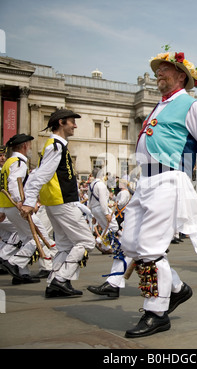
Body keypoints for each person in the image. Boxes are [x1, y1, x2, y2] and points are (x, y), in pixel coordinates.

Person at [121, 49, 197, 338]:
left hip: (169, 179)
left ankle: (157, 312)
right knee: (130, 243)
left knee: (150, 248)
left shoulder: (191, 105)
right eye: (158, 70)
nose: (158, 74)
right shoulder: (159, 106)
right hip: (146, 181)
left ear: (180, 76)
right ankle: (176, 288)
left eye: (164, 69)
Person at [20, 109, 95, 297]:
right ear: (61, 122)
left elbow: (37, 173)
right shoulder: (55, 145)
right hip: (62, 202)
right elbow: (41, 175)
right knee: (86, 241)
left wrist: (31, 199)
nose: (75, 125)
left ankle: (55, 282)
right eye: (72, 122)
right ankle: (60, 279)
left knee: (65, 245)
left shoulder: (55, 144)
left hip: (57, 202)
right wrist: (29, 201)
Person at [0, 134, 42, 283]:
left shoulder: (8, 162)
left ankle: (21, 275)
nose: (30, 149)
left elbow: (3, 186)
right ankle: (12, 262)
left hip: (8, 206)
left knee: (25, 238)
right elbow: (13, 183)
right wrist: (20, 202)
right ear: (24, 146)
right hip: (17, 206)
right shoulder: (19, 162)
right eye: (30, 146)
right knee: (39, 236)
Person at [87, 170, 131, 298]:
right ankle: (113, 283)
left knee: (150, 255)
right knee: (126, 246)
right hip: (101, 209)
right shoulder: (99, 185)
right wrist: (106, 212)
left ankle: (174, 287)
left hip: (99, 209)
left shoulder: (93, 185)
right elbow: (102, 201)